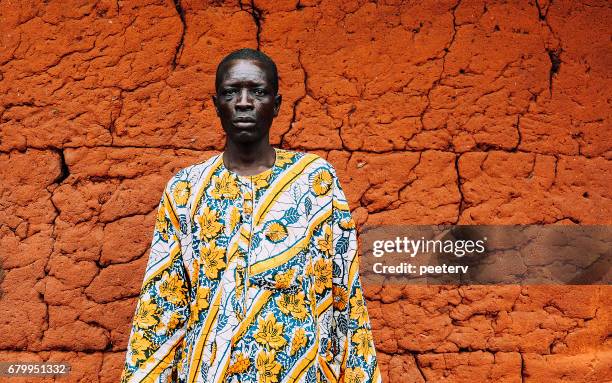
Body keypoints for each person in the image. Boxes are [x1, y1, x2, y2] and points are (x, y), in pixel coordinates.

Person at [120, 48, 381, 383]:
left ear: (277, 104)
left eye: (258, 92)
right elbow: (162, 303)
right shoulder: (185, 190)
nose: (244, 102)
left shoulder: (316, 182)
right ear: (216, 104)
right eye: (231, 92)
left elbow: (345, 293)